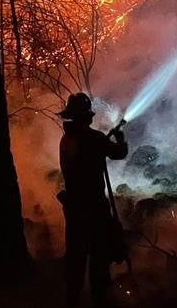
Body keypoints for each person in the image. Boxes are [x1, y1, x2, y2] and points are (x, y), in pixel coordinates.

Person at [58, 93, 127, 307]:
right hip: (93, 206)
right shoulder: (93, 139)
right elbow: (117, 153)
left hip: (73, 207)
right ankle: (99, 298)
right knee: (98, 255)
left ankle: (73, 298)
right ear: (84, 116)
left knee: (76, 255)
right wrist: (120, 140)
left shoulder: (66, 139)